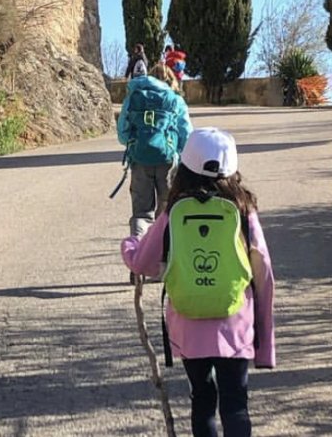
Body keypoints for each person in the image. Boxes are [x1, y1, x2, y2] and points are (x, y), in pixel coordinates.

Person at [121, 127, 276, 437]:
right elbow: (264, 275)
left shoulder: (173, 212)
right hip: (235, 326)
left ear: (185, 167)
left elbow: (143, 263)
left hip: (189, 327)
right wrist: (264, 343)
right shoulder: (244, 213)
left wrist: (129, 244)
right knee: (235, 405)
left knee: (202, 401)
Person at [117, 63, 193, 239]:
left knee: (142, 213)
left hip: (139, 159)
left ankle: (139, 258)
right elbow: (186, 135)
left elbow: (122, 134)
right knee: (168, 209)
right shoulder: (174, 99)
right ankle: (165, 255)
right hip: (167, 160)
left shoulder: (134, 97)